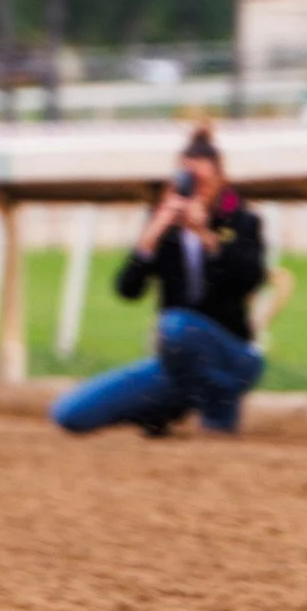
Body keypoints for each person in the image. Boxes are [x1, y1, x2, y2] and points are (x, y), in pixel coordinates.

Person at [52, 128, 268, 437]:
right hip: (175, 362)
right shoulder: (167, 232)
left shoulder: (243, 221)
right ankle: (162, 408)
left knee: (176, 326)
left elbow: (250, 280)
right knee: (70, 414)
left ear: (220, 180)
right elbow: (128, 289)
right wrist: (150, 237)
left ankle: (214, 413)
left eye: (202, 182)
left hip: (230, 356)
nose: (194, 190)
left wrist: (206, 236)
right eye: (187, 182)